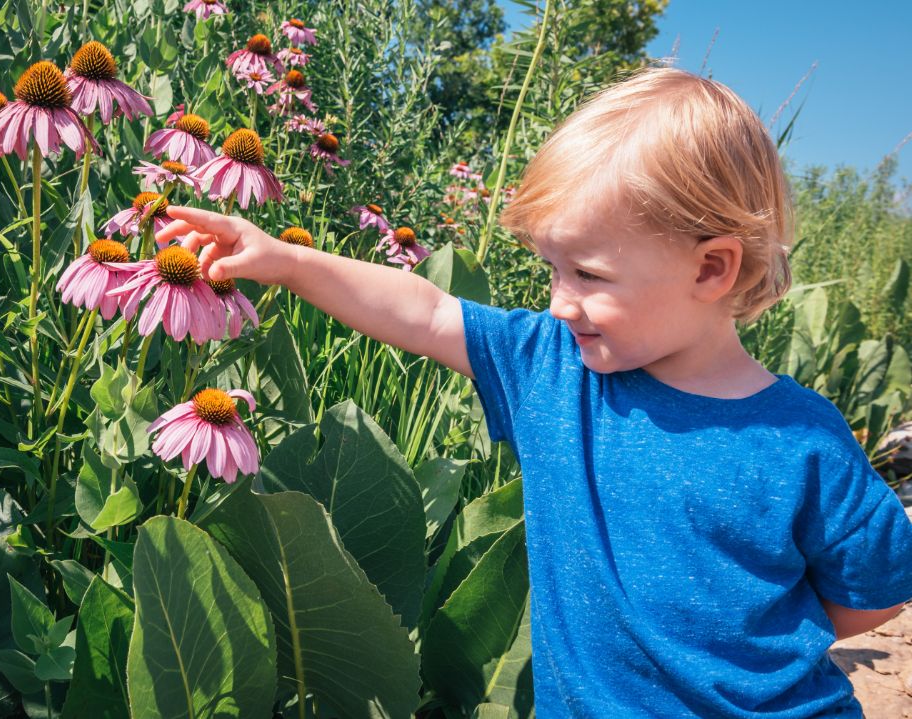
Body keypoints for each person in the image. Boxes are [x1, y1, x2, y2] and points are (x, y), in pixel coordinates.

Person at [154, 66, 912, 717]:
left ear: (712, 270)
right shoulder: (550, 367)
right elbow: (424, 308)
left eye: (588, 275)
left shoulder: (802, 438)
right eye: (552, 268)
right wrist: (285, 261)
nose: (557, 301)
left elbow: (873, 597)